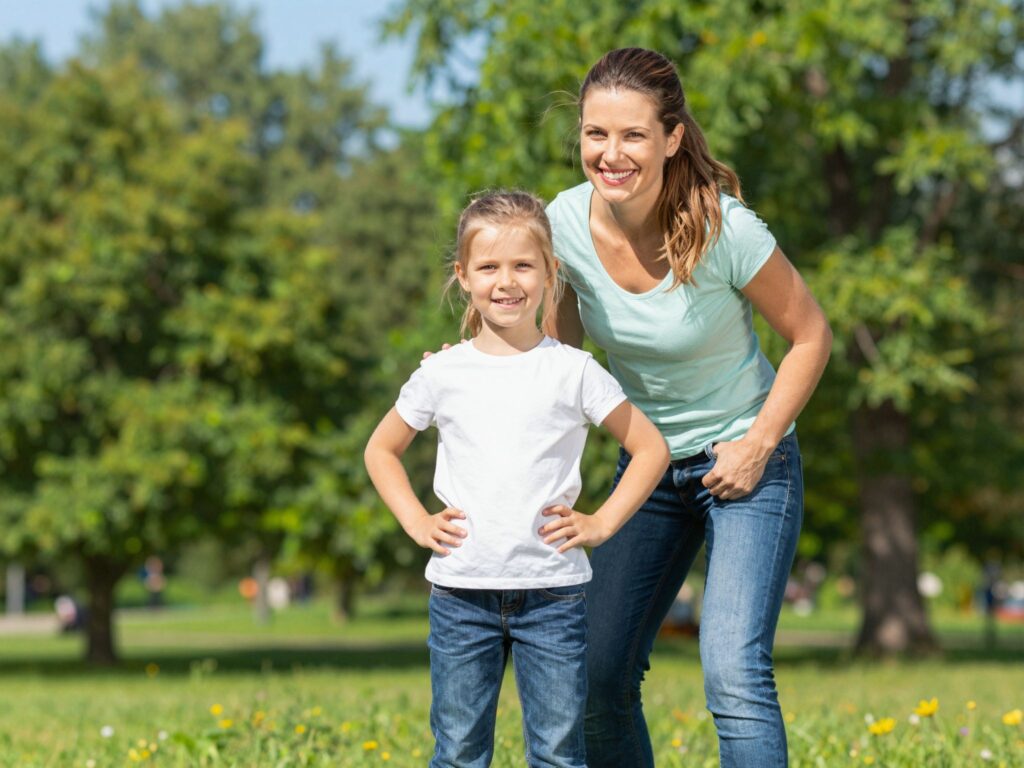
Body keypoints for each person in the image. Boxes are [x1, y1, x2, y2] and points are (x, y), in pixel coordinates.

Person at [543, 48, 833, 767]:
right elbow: (552, 360)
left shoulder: (726, 229)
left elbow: (810, 335)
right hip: (648, 466)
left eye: (632, 135)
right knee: (595, 677)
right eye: (595, 134)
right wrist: (463, 369)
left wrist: (760, 443)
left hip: (749, 464)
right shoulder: (564, 226)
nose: (611, 154)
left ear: (672, 138)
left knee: (733, 674)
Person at [364, 190, 670, 768]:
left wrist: (602, 521)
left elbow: (650, 447)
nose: (507, 282)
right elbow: (381, 449)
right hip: (460, 595)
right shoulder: (443, 372)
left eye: (523, 265)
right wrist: (415, 520)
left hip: (553, 595)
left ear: (551, 272)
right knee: (458, 752)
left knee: (557, 753)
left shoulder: (574, 371)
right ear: (463, 276)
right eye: (488, 267)